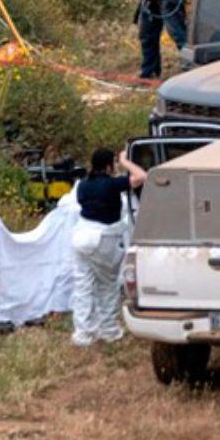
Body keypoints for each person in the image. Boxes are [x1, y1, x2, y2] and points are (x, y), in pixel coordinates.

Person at [70, 147, 145, 347]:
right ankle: (108, 329)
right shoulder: (112, 184)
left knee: (82, 287)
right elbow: (142, 176)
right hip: (102, 238)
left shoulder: (82, 185)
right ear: (109, 165)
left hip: (79, 237)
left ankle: (83, 334)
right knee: (108, 284)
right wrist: (125, 161)